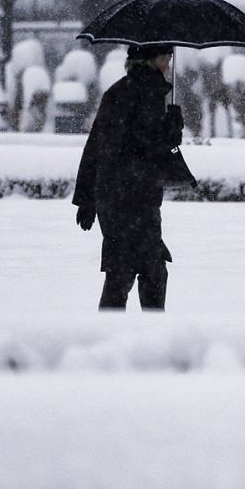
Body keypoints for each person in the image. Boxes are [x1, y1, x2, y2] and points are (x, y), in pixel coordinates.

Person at [73, 44, 194, 310]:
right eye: (166, 57)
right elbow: (146, 147)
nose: (169, 63)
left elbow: (95, 146)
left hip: (119, 198)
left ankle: (120, 333)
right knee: (141, 272)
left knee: (131, 271)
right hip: (132, 198)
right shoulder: (145, 94)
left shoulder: (119, 92)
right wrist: (171, 133)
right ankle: (142, 335)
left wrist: (87, 199)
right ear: (152, 59)